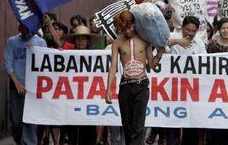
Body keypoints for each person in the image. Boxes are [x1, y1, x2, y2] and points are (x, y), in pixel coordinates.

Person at [106, 11, 164, 145]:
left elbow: (152, 65)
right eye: (123, 29)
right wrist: (108, 89)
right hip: (125, 85)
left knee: (138, 126)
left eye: (129, 27)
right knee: (127, 125)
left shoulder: (145, 40)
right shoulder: (117, 43)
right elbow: (113, 66)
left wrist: (160, 52)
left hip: (142, 85)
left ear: (134, 24)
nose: (127, 31)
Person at [165, 16, 206, 145]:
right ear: (182, 27)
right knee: (172, 122)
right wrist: (177, 42)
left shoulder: (199, 43)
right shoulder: (171, 36)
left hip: (191, 89)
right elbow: (158, 44)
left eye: (193, 31)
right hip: (172, 88)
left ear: (197, 31)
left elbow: (204, 63)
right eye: (187, 29)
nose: (189, 33)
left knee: (190, 121)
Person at [5, 24, 47, 145]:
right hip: (16, 86)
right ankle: (19, 141)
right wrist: (16, 83)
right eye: (23, 28)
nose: (26, 32)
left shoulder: (41, 42)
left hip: (33, 87)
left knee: (30, 120)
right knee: (16, 121)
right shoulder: (12, 42)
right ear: (19, 28)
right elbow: (8, 64)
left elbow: (45, 64)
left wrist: (35, 52)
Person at [63, 26, 102, 144]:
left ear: (88, 41)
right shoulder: (67, 56)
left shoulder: (96, 56)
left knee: (89, 132)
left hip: (89, 99)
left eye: (83, 39)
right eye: (78, 39)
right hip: (72, 99)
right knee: (72, 133)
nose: (80, 42)